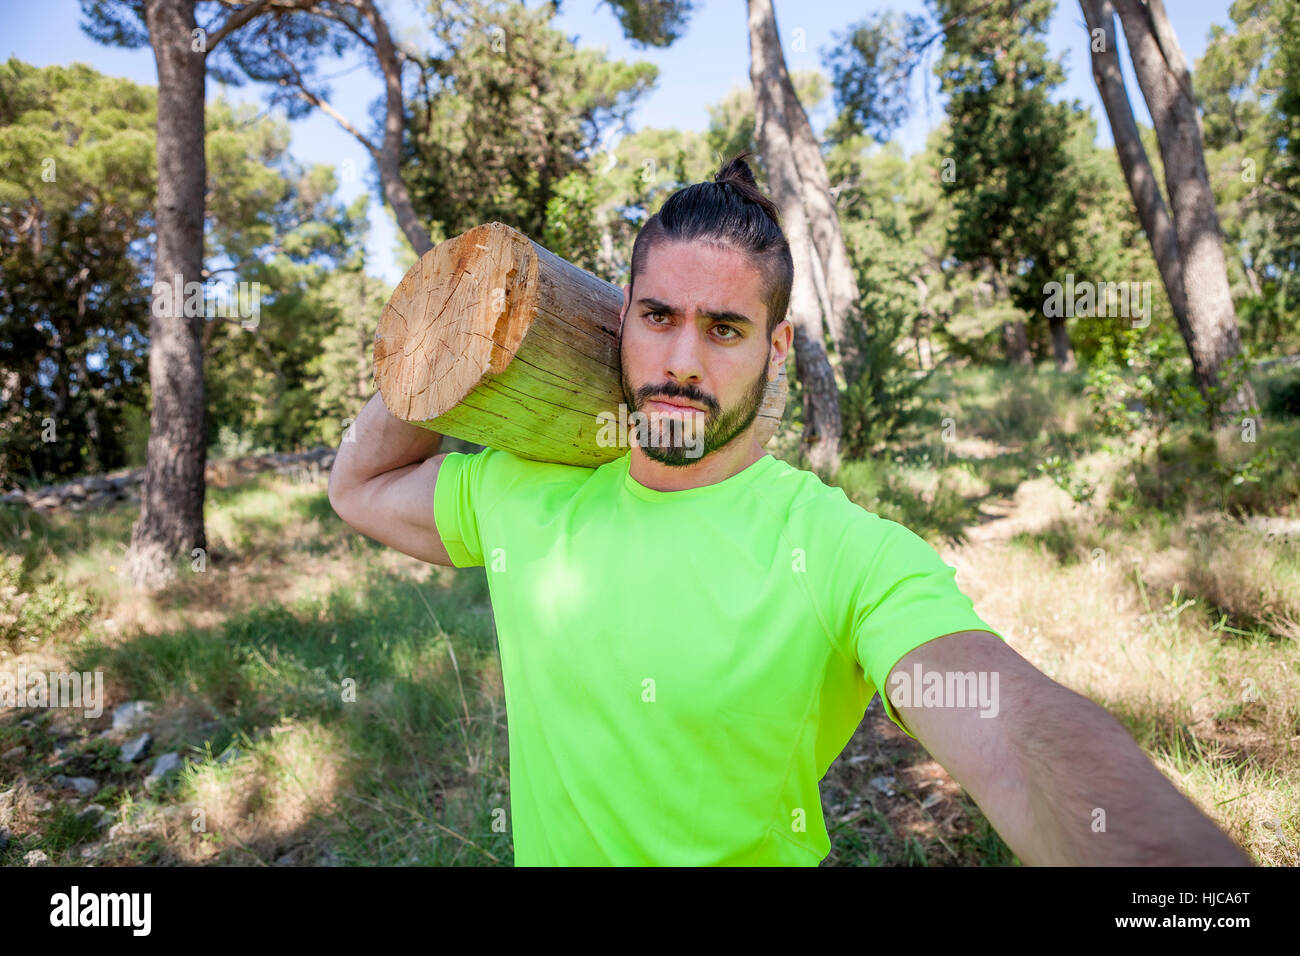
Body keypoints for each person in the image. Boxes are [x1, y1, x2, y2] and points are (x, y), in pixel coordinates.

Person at [327, 152, 1252, 867]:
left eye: (723, 328)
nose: (683, 360)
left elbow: (1018, 731)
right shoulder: (524, 491)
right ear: (616, 321)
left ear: (777, 348)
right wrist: (445, 335)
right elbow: (355, 491)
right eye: (658, 317)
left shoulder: (842, 551)